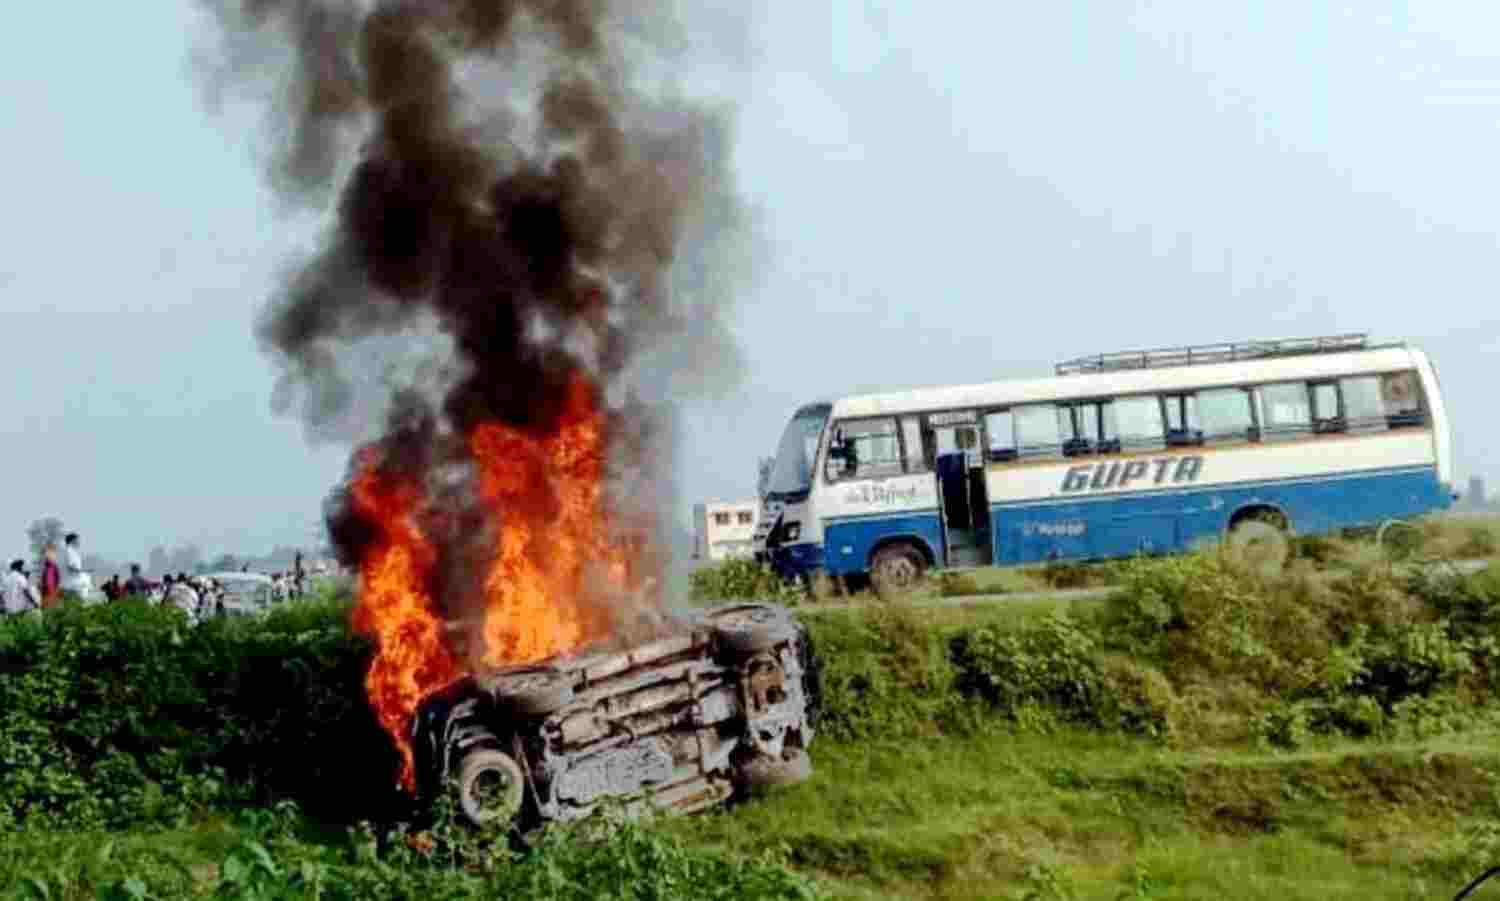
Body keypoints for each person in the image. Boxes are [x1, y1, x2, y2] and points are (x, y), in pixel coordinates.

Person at [63, 533, 94, 602]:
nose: (79, 542)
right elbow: (70, 567)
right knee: (82, 602)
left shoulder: (72, 551)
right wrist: (83, 571)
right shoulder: (69, 551)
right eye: (77, 540)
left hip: (75, 582)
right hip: (75, 583)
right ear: (72, 541)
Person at [40, 545, 62, 609]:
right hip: (50, 598)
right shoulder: (50, 567)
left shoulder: (47, 567)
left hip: (47, 597)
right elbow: (49, 583)